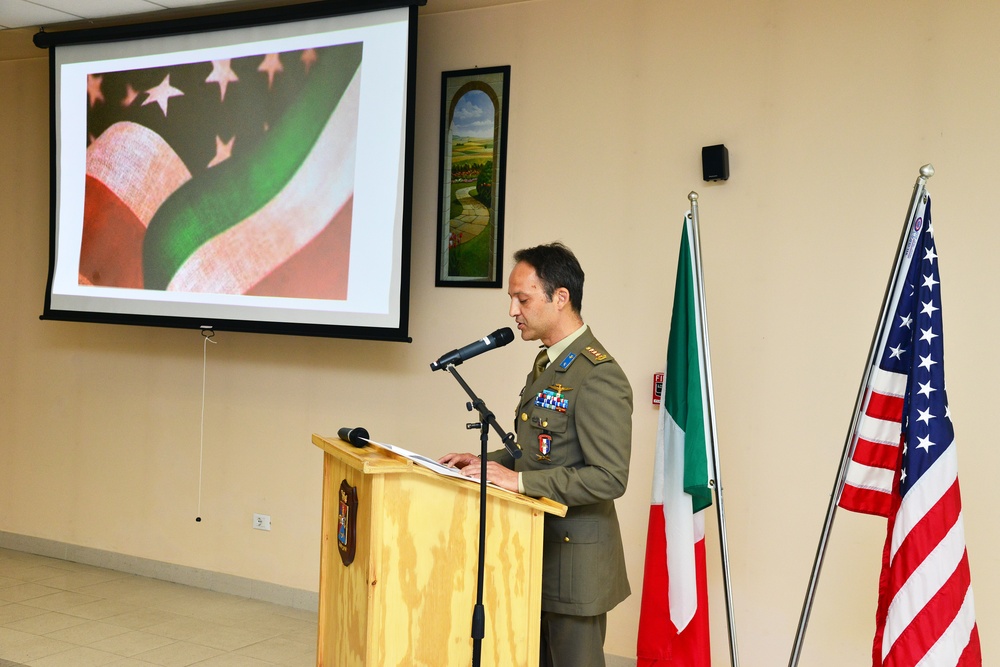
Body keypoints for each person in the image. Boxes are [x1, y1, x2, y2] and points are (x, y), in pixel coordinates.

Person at [439, 242, 633, 667]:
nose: (513, 311)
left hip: (574, 563)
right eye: (513, 299)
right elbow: (540, 452)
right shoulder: (549, 364)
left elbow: (609, 477)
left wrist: (518, 481)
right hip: (533, 549)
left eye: (522, 298)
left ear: (559, 297)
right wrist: (487, 463)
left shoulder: (598, 375)